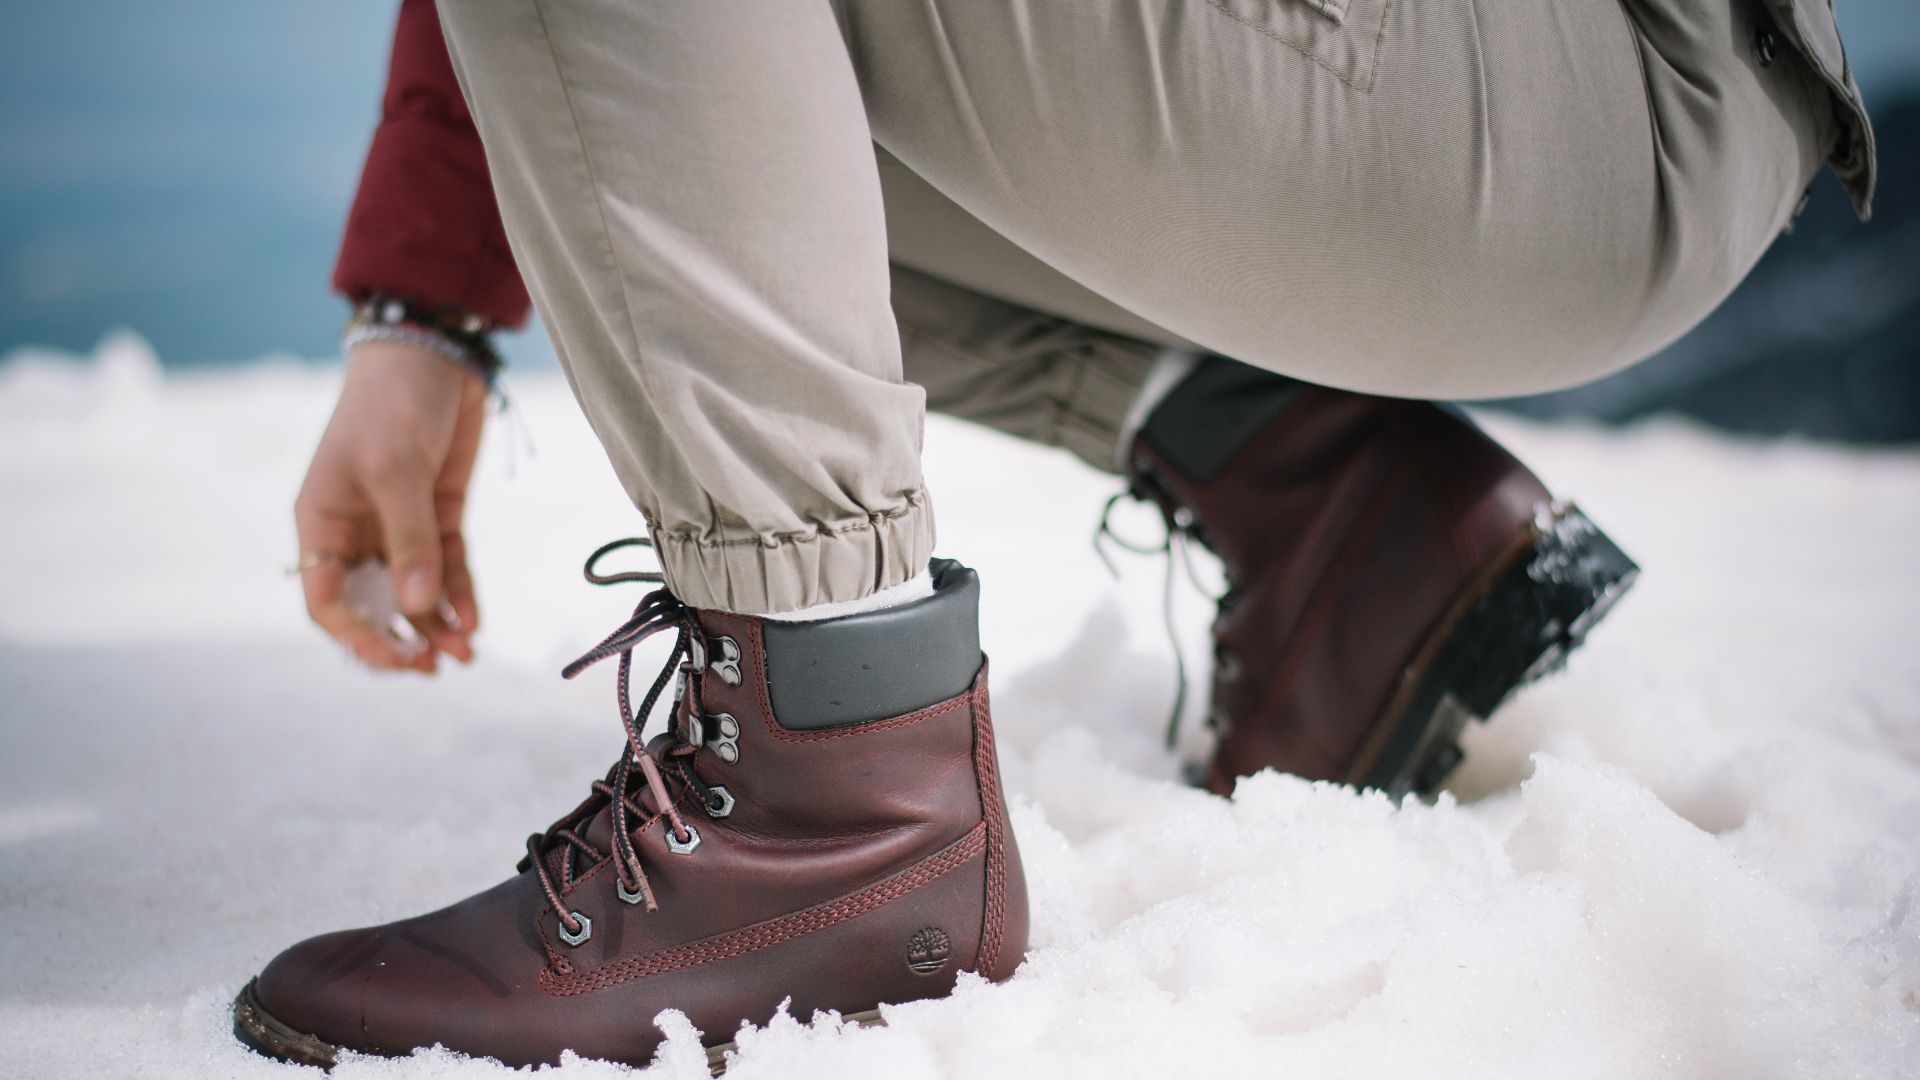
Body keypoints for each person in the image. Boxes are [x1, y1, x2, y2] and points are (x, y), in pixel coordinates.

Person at [234, 0, 1874, 1069]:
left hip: (1569, 72)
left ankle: (828, 807)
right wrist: (425, 307)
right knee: (712, 128)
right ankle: (1324, 499)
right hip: (1573, 107)